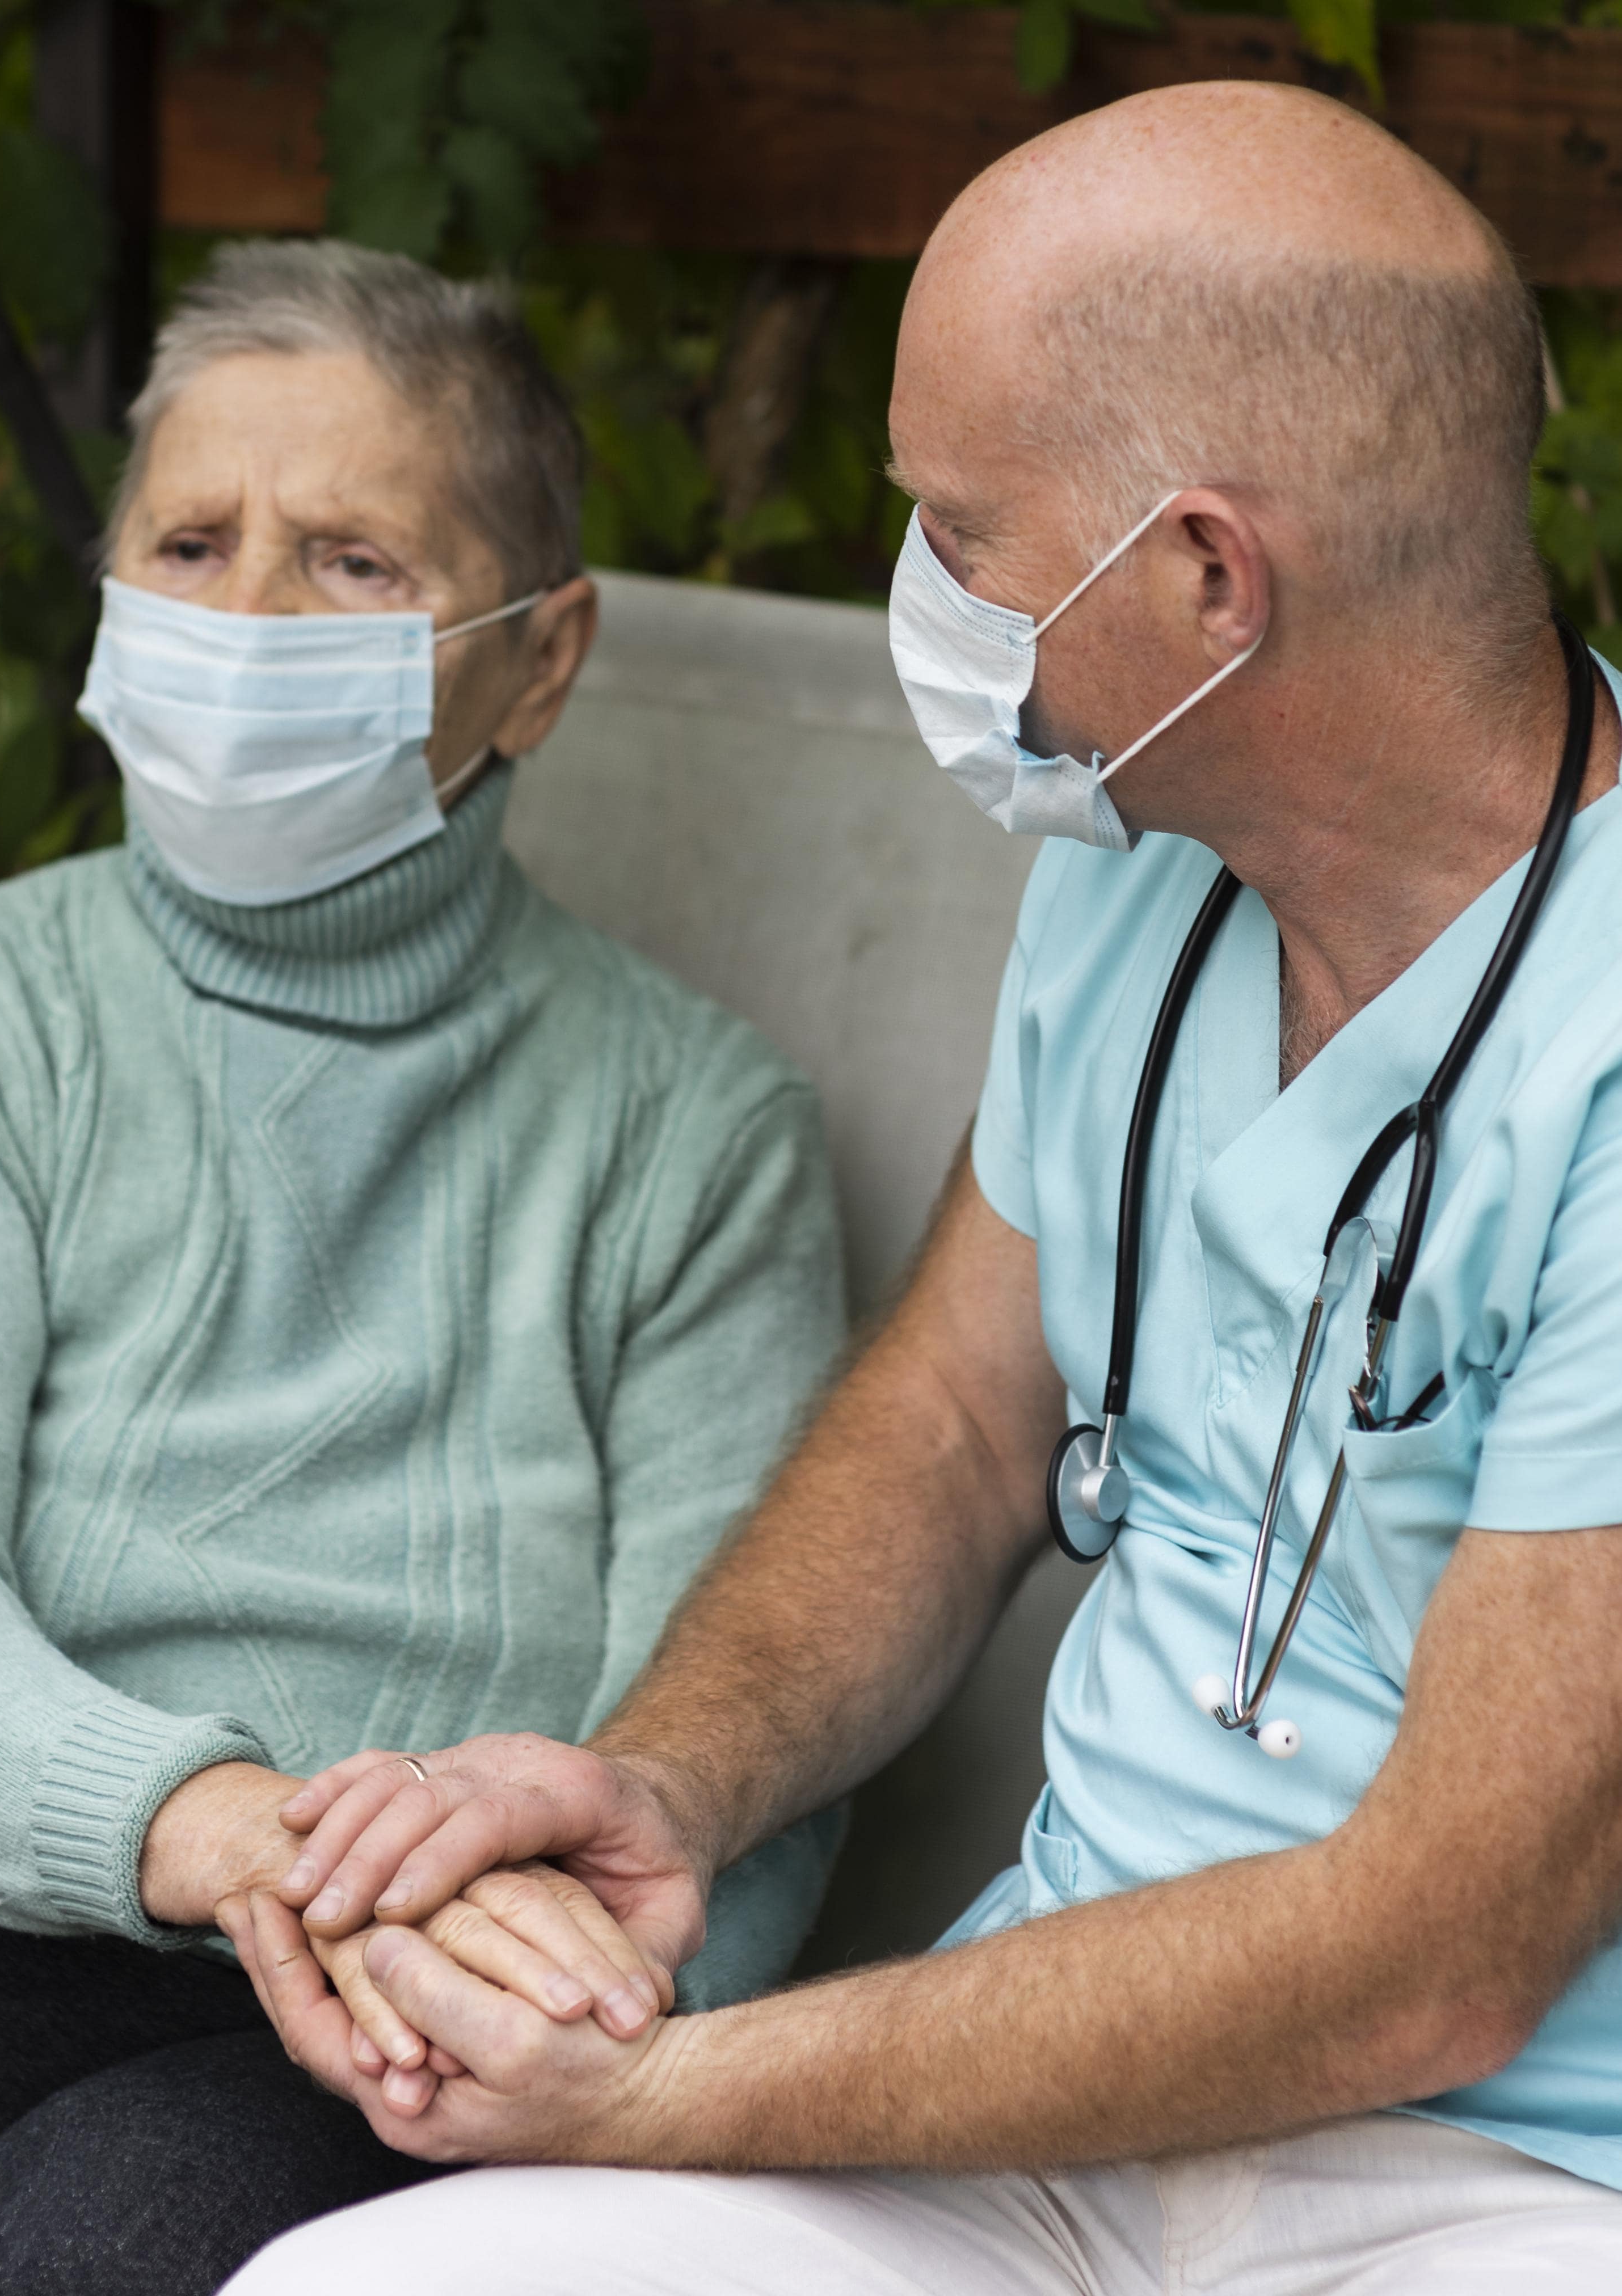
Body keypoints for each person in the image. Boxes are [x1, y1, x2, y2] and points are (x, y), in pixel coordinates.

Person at [222, 82, 1622, 2296]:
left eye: (962, 525)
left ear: (1205, 575)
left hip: (1517, 2186)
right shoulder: (1142, 848)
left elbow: (1441, 1959)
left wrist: (671, 2094)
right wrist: (670, 1790)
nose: (930, 590)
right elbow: (961, 1422)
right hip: (1035, 2120)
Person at [0, 240, 845, 2296]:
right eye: (191, 541)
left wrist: (529, 1984)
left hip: (405, 2016)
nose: (245, 615)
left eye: (353, 561)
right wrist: (228, 1833)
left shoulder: (698, 1134)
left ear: (543, 660)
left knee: (96, 2259)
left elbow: (745, 1760)